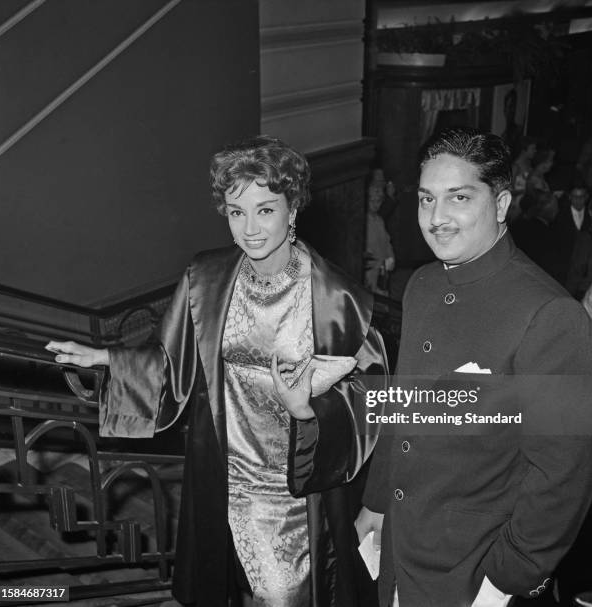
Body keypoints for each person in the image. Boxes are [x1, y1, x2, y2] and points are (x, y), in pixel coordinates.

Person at [46, 136, 388, 607]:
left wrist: (311, 408)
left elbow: (372, 402)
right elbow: (171, 364)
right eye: (236, 212)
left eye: (265, 210)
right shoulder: (205, 279)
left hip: (300, 484)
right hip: (227, 476)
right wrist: (106, 359)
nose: (249, 228)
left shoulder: (341, 302)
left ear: (293, 210)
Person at [355, 127, 592, 607]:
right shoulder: (422, 285)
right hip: (401, 545)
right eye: (427, 199)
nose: (437, 217)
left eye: (459, 198)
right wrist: (377, 500)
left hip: (476, 571)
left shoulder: (553, 316)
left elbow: (564, 476)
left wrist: (508, 577)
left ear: (502, 204)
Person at [364, 181, 396, 296]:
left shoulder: (379, 220)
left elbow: (386, 242)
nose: (375, 205)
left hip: (382, 271)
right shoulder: (362, 221)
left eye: (378, 201)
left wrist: (390, 257)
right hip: (368, 273)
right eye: (372, 201)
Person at [508, 136, 537, 223]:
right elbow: (508, 191)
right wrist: (524, 191)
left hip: (528, 204)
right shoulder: (515, 167)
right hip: (516, 207)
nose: (535, 151)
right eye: (533, 149)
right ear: (524, 150)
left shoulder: (530, 165)